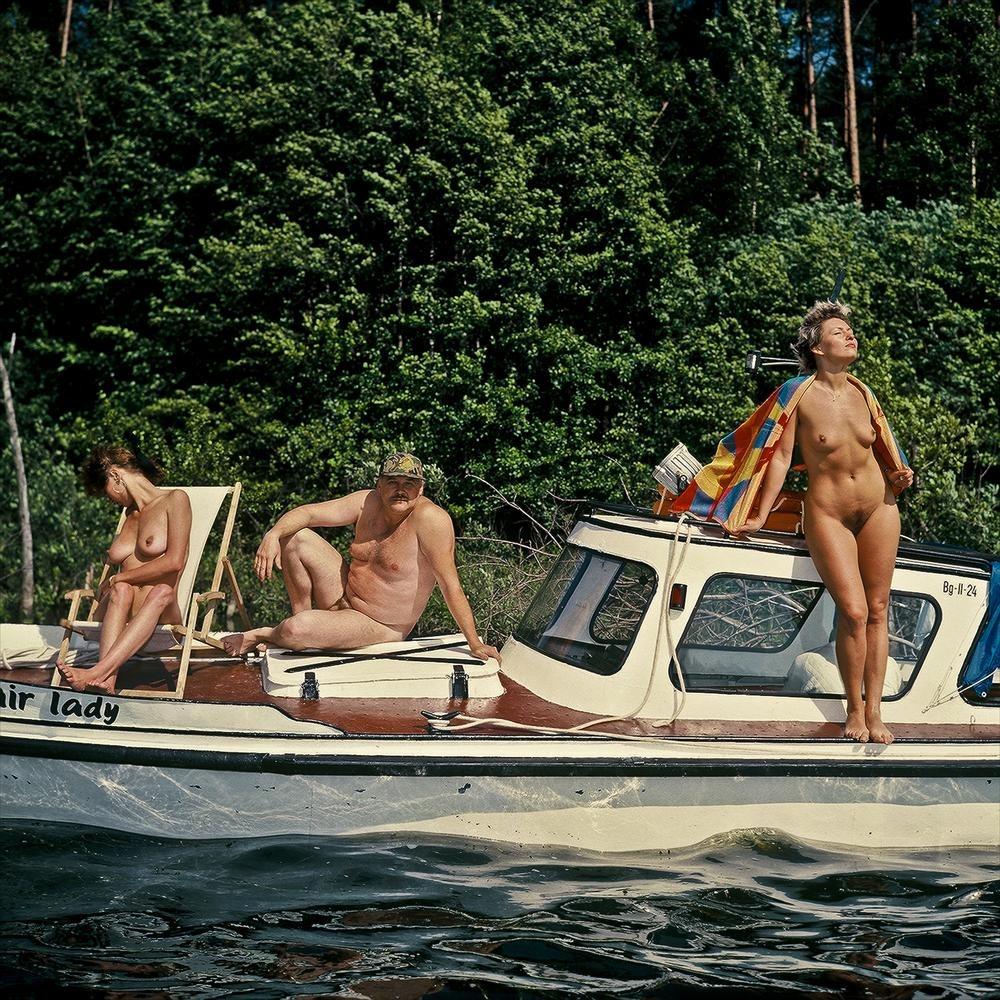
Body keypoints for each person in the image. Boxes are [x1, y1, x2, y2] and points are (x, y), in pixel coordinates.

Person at [672, 301, 913, 743]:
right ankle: (854, 710)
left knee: (879, 610)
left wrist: (899, 474)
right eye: (839, 332)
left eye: (850, 330)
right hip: (829, 513)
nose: (850, 336)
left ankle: (876, 712)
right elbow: (777, 457)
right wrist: (760, 515)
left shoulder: (864, 393)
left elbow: (881, 449)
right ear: (818, 349)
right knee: (854, 611)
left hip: (880, 507)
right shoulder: (796, 393)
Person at [222, 453, 502, 663]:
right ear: (379, 485)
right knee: (295, 537)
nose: (400, 489)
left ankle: (267, 634)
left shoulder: (431, 520)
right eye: (392, 482)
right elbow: (308, 513)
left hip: (381, 624)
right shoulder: (367, 502)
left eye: (409, 483)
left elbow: (450, 585)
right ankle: (302, 635)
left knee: (297, 629)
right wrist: (272, 534)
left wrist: (474, 642)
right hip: (344, 597)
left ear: (421, 488)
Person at [57, 445, 192, 693]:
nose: (109, 499)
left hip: (159, 608)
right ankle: (107, 680)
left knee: (161, 591)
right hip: (119, 605)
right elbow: (113, 576)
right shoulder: (129, 515)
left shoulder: (175, 500)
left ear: (115, 476)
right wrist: (113, 583)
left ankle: (96, 672)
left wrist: (122, 577)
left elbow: (175, 562)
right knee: (121, 590)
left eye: (105, 490)